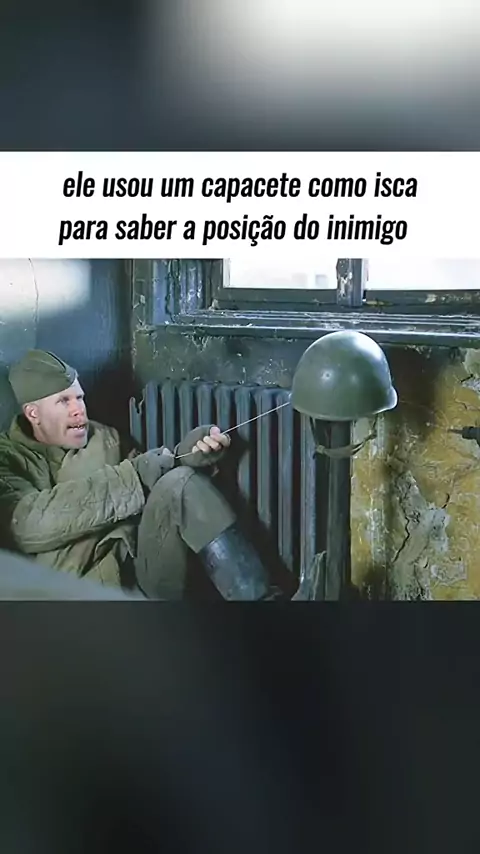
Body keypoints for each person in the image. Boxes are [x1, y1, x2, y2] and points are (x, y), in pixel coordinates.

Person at [0, 349, 315, 601]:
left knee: (179, 484)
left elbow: (152, 485)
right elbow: (26, 524)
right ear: (33, 413)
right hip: (76, 594)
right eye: (64, 401)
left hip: (137, 574)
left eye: (79, 397)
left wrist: (189, 454)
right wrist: (137, 475)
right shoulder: (7, 458)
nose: (78, 409)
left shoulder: (104, 438)